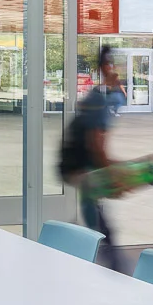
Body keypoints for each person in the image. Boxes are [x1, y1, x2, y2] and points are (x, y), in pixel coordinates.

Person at [60, 47, 125, 269]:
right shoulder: (101, 102)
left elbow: (99, 145)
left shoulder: (98, 98)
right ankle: (109, 265)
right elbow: (95, 144)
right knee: (98, 223)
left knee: (94, 213)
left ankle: (82, 247)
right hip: (78, 166)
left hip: (79, 163)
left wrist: (111, 167)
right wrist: (111, 175)